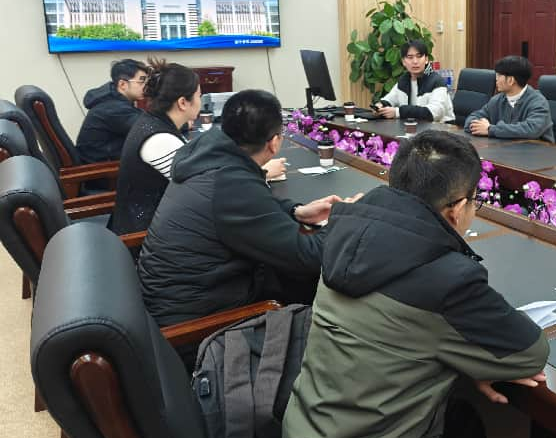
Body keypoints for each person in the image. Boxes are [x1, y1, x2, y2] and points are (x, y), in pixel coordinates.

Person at [282, 130, 550, 438]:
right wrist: (476, 360)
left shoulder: (346, 232)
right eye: (475, 202)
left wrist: (464, 358)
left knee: (462, 424)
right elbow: (529, 353)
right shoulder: (447, 278)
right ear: (457, 209)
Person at [137, 89, 359, 327]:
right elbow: (309, 256)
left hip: (177, 294)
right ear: (274, 143)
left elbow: (244, 207)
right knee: (326, 285)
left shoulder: (209, 155)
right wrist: (346, 218)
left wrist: (296, 211)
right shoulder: (232, 183)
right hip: (197, 320)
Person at [111, 60, 201, 236]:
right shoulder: (159, 140)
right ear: (183, 102)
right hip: (146, 237)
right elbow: (201, 189)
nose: (200, 101)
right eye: (199, 95)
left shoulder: (153, 121)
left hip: (160, 222)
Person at [464, 55, 554, 142]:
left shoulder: (538, 101)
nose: (496, 79)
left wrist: (490, 129)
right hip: (506, 147)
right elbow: (473, 118)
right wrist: (477, 125)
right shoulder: (497, 100)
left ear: (511, 80)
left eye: (499, 75)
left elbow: (532, 129)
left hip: (536, 149)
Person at [75, 58, 147, 164]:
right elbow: (148, 128)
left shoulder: (113, 100)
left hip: (104, 160)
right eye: (141, 82)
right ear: (122, 84)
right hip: (101, 169)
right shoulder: (114, 109)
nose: (146, 87)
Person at [373, 40, 455, 122]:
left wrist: (398, 112)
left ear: (426, 59)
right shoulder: (404, 80)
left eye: (419, 56)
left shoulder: (437, 81)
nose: (415, 61)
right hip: (413, 126)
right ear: (403, 62)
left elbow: (434, 113)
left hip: (442, 128)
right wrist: (380, 105)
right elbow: (390, 99)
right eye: (410, 57)